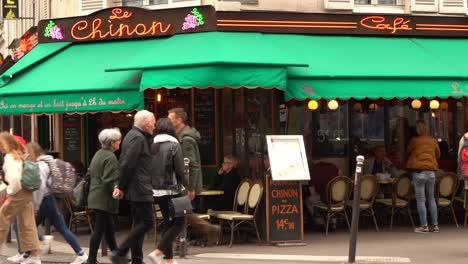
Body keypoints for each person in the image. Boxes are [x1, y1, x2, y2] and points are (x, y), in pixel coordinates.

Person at [23, 142, 88, 264]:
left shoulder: (41, 165)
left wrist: (36, 205)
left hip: (45, 200)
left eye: (27, 152)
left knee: (26, 227)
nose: (26, 154)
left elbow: (40, 187)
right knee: (60, 228)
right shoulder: (49, 161)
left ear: (32, 152)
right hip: (49, 199)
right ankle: (81, 253)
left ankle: (33, 252)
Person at [168, 108, 220, 246]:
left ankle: (206, 230)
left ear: (179, 120)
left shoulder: (186, 139)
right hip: (182, 183)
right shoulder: (179, 136)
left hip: (185, 184)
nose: (168, 121)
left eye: (170, 118)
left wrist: (191, 188)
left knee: (181, 211)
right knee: (181, 212)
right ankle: (181, 242)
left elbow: (192, 165)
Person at [111, 110, 156, 264]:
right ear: (146, 123)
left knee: (138, 223)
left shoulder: (132, 135)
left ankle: (137, 259)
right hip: (140, 187)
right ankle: (120, 251)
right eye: (153, 122)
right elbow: (127, 163)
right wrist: (121, 186)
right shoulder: (138, 138)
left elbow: (125, 161)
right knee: (148, 222)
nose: (154, 126)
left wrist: (121, 185)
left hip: (136, 186)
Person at [148, 118, 187, 264]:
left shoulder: (151, 146)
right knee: (180, 223)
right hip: (174, 191)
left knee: (167, 223)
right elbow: (180, 171)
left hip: (157, 192)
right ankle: (158, 251)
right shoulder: (174, 146)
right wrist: (186, 184)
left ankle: (169, 260)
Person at [0, 133, 41, 264]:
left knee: (2, 217)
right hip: (27, 191)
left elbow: (15, 179)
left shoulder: (9, 157)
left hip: (18, 192)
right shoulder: (20, 153)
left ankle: (33, 255)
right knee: (27, 222)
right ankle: (34, 256)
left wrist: (11, 191)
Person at [87, 128, 121, 264]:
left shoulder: (98, 154)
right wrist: (116, 189)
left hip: (95, 195)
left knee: (109, 229)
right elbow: (108, 180)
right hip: (103, 198)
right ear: (112, 142)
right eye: (118, 140)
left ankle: (118, 257)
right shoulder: (110, 157)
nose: (120, 142)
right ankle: (91, 259)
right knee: (100, 230)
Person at [406, 120, 441, 233]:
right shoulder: (433, 140)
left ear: (417, 129)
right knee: (431, 199)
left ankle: (424, 226)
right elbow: (438, 154)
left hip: (419, 172)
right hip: (431, 172)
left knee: (421, 200)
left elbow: (408, 151)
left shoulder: (414, 141)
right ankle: (435, 225)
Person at [304, 161, 340, 228]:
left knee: (308, 200)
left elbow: (313, 194)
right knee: (331, 200)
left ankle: (320, 221)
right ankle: (333, 221)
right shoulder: (334, 168)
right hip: (340, 200)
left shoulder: (313, 171)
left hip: (325, 200)